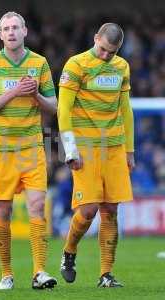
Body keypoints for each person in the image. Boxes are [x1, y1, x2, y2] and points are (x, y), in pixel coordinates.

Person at [0, 12, 58, 290]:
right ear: (0, 35)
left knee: (37, 207)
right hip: (0, 150)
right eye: (5, 29)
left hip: (32, 147)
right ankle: (7, 274)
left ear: (25, 31)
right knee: (3, 211)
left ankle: (39, 272)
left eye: (15, 27)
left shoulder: (39, 63)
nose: (11, 32)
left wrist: (34, 94)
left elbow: (55, 106)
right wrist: (15, 92)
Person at [58, 23, 135, 288]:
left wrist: (129, 151)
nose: (105, 56)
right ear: (95, 39)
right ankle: (69, 252)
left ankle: (106, 274)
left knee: (111, 211)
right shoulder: (76, 66)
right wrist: (70, 149)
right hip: (86, 147)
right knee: (88, 210)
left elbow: (126, 110)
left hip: (114, 148)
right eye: (102, 49)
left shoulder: (122, 67)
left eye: (111, 52)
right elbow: (64, 110)